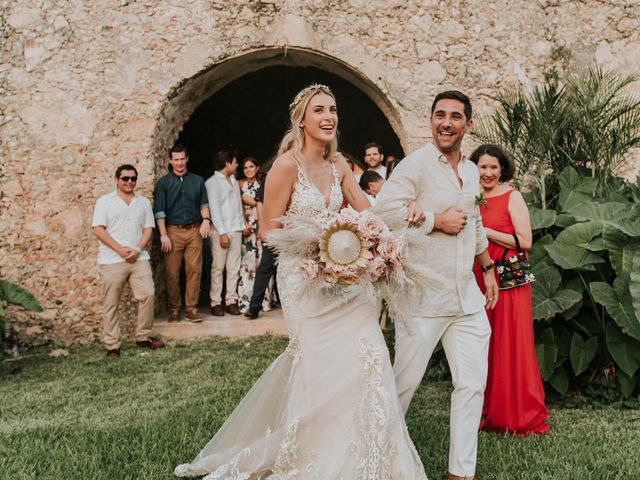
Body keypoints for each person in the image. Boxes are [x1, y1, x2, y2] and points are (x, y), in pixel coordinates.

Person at [174, 84, 427, 479]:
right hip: (306, 282)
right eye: (319, 110)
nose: (328, 117)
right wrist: (317, 248)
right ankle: (317, 458)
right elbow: (269, 232)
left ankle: (372, 460)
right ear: (302, 121)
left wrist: (394, 223)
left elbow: (368, 212)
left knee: (371, 359)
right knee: (323, 372)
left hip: (347, 282)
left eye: (333, 109)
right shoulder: (285, 167)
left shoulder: (341, 165)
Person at [375, 90, 499, 480]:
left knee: (471, 387)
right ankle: (373, 459)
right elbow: (384, 211)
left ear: (468, 124)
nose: (447, 122)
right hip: (423, 299)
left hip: (466, 299)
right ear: (430, 121)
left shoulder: (472, 171)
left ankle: (461, 473)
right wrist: (433, 221)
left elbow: (474, 220)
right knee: (402, 388)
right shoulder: (415, 166)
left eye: (455, 116)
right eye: (440, 115)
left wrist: (488, 266)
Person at [470, 144, 550, 435]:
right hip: (479, 277)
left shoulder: (512, 196)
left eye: (493, 167)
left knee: (510, 342)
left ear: (502, 169)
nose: (488, 173)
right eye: (482, 167)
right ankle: (488, 408)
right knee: (484, 342)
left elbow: (525, 241)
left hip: (508, 278)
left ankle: (517, 412)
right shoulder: (471, 197)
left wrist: (486, 231)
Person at [92, 164, 165, 358]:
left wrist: (138, 249)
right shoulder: (104, 202)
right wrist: (119, 250)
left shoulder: (143, 203)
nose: (129, 182)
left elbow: (148, 228)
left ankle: (142, 337)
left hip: (138, 258)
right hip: (112, 259)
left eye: (133, 178)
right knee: (111, 303)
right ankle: (112, 345)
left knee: (148, 294)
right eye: (125, 178)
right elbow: (98, 229)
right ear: (117, 180)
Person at [153, 144, 212, 322]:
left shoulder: (198, 181)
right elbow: (159, 211)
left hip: (194, 230)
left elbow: (203, 205)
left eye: (182, 159)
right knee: (172, 272)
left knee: (194, 270)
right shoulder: (163, 183)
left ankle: (191, 308)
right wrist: (163, 234)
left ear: (187, 159)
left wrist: (206, 221)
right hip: (172, 231)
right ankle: (174, 308)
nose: (179, 163)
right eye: (175, 159)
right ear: (170, 160)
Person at [205, 149, 247, 316]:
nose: (237, 165)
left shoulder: (234, 182)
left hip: (235, 229)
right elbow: (214, 209)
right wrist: (222, 233)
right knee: (218, 268)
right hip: (221, 231)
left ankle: (231, 301)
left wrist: (241, 226)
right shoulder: (212, 182)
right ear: (227, 163)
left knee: (233, 268)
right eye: (235, 162)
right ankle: (215, 302)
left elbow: (238, 206)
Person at [237, 157, 276, 314]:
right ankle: (249, 303)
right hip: (251, 228)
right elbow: (247, 204)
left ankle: (266, 301)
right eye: (245, 167)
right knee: (251, 265)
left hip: (267, 226)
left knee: (264, 264)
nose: (248, 170)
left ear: (257, 168)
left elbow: (261, 203)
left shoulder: (265, 184)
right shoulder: (240, 185)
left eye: (251, 166)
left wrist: (251, 202)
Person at [243, 180, 278, 320]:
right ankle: (254, 308)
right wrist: (263, 228)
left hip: (293, 230)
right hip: (273, 231)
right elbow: (260, 204)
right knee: (264, 268)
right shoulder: (271, 179)